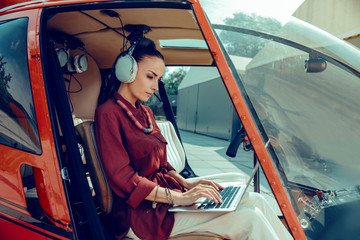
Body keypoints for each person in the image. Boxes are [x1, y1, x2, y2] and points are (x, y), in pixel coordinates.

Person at [94, 38, 293, 240]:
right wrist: (181, 197)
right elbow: (123, 179)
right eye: (150, 76)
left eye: (158, 79)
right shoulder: (108, 113)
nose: (155, 86)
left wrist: (188, 185)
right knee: (250, 218)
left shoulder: (146, 113)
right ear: (127, 71)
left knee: (256, 200)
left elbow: (162, 165)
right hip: (142, 214)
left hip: (165, 198)